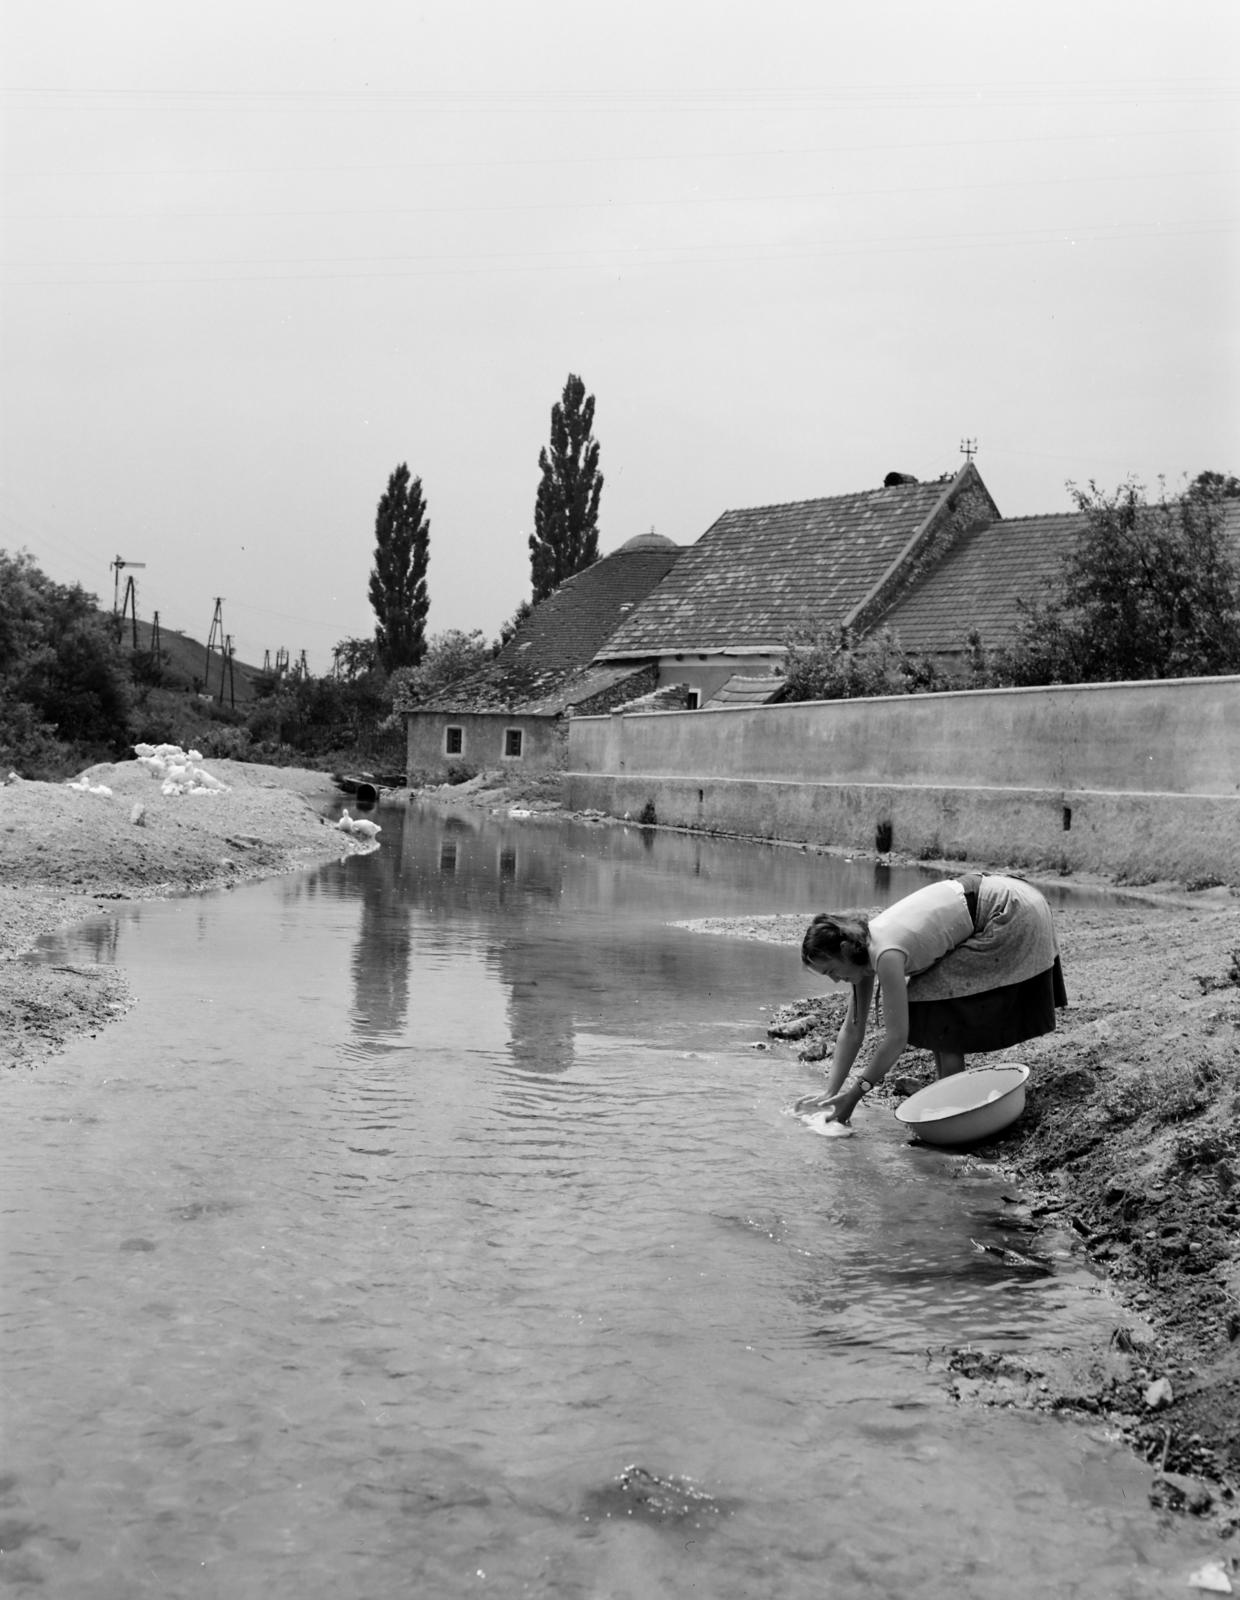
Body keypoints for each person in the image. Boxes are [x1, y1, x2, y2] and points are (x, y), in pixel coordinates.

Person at [794, 871, 1066, 1126]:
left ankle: (953, 1107)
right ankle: (948, 1098)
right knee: (929, 996)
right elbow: (853, 1028)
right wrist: (829, 1093)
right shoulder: (861, 949)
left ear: (843, 949)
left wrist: (854, 1095)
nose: (834, 980)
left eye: (831, 971)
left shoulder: (885, 954)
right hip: (1010, 896)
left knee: (927, 999)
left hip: (1013, 911)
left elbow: (896, 1039)